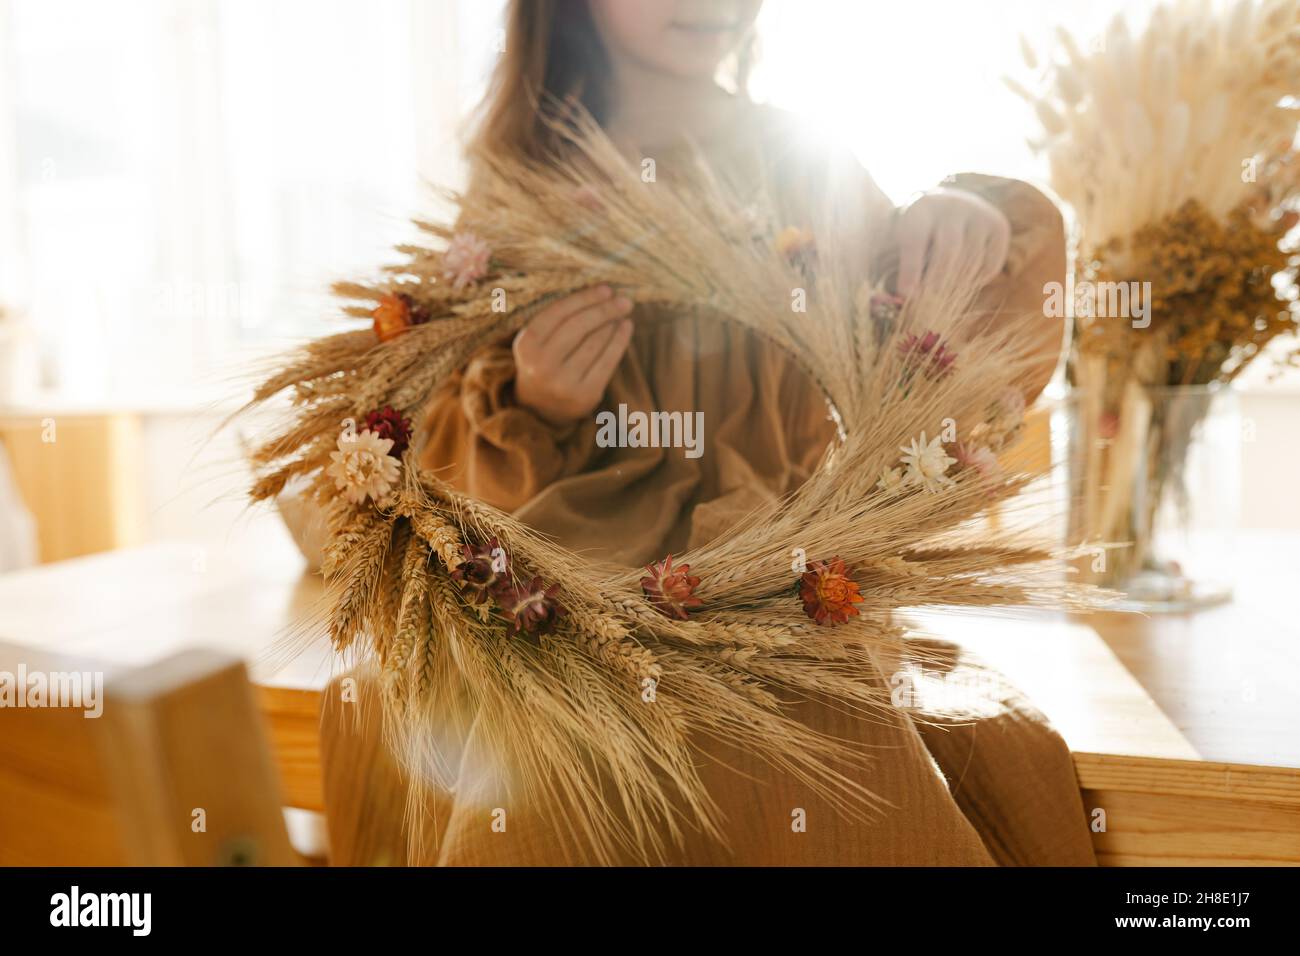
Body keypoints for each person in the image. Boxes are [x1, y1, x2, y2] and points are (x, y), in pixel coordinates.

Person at [388, 0, 1094, 865]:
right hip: (581, 603)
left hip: (783, 586)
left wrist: (962, 217)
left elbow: (927, 336)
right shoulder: (519, 179)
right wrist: (537, 401)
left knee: (845, 753)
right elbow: (445, 455)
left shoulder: (798, 162)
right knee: (564, 791)